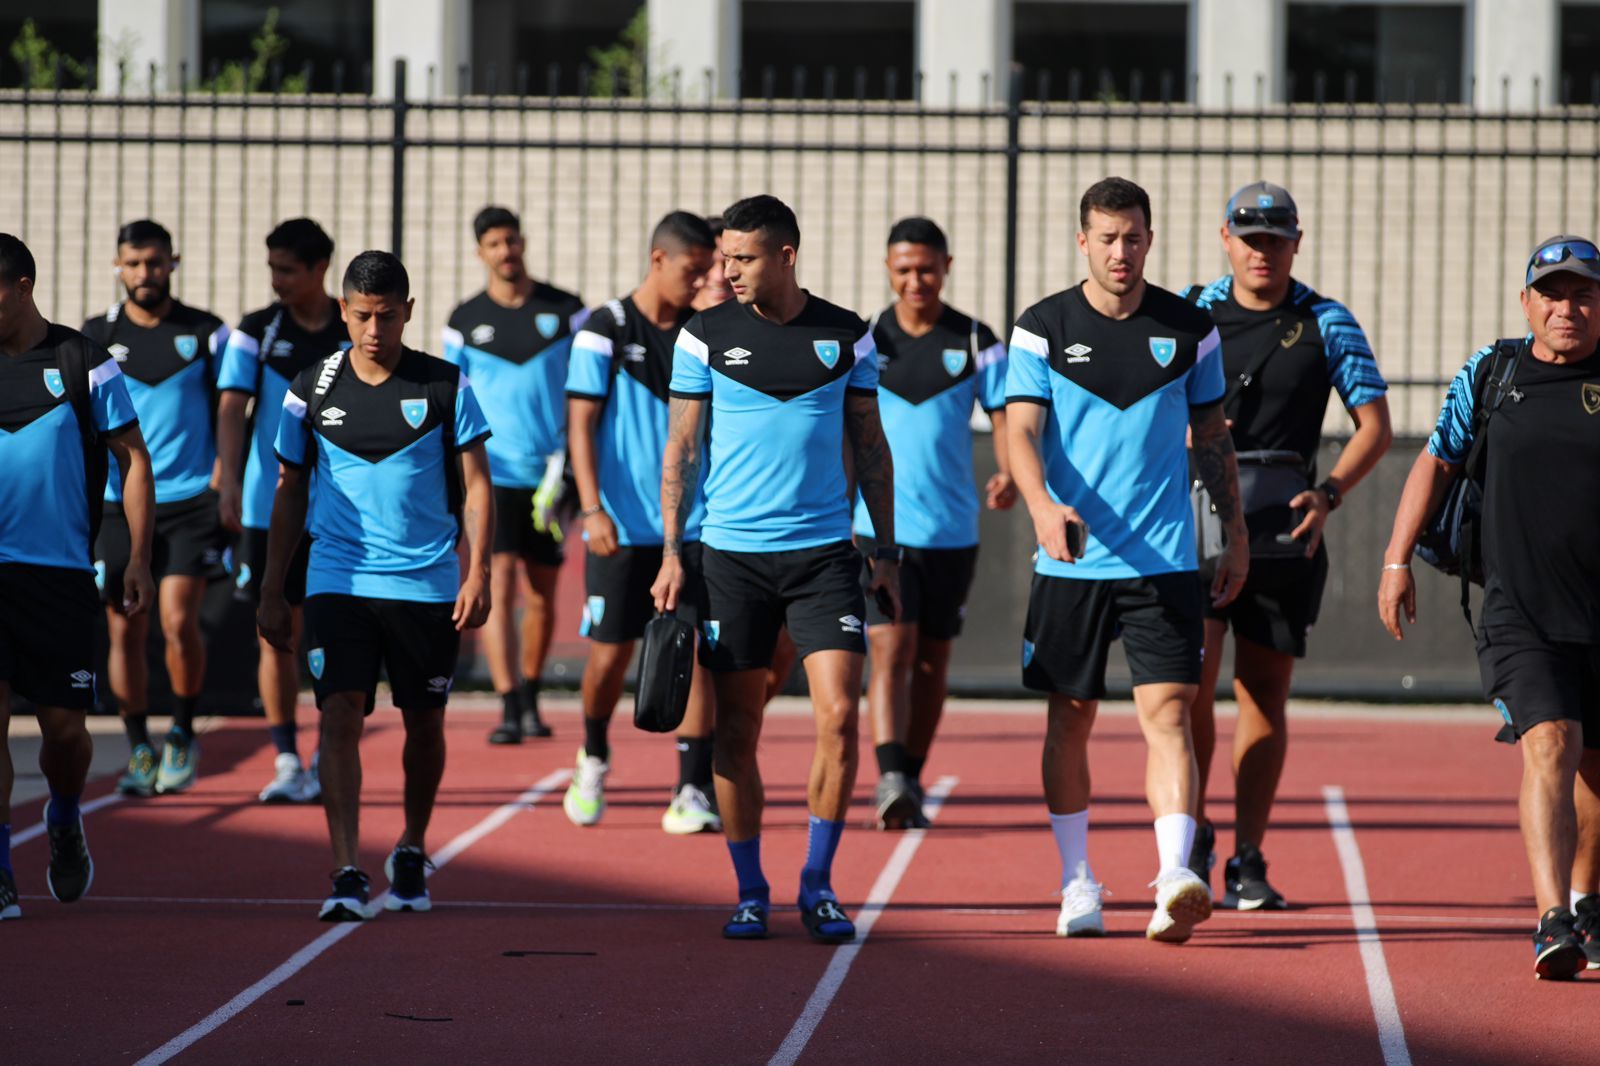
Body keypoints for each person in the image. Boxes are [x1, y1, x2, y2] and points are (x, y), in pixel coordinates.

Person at [1005, 176, 1247, 943]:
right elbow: (1017, 433)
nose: (1121, 251)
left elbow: (1211, 438)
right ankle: (1077, 882)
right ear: (1083, 241)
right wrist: (1043, 508)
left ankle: (1176, 873)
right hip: (1071, 563)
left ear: (1151, 238)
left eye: (1133, 237)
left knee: (1171, 713)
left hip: (1165, 561)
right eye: (1107, 238)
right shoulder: (1042, 326)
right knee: (1068, 718)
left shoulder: (1191, 328)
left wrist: (1235, 534)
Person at [654, 194, 900, 942]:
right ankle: (751, 887)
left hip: (826, 558)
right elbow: (682, 450)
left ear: (786, 256)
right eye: (724, 256)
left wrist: (883, 548)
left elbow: (871, 444)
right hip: (730, 559)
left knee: (837, 718)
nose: (727, 271)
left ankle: (818, 885)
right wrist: (671, 553)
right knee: (738, 728)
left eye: (743, 258)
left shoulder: (848, 335)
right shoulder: (702, 336)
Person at [1379, 235, 1600, 981]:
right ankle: (1552, 920)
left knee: (1596, 766)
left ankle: (1586, 902)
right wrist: (1394, 559)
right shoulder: (1493, 371)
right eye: (1552, 293)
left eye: (1582, 294)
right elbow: (1436, 460)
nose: (1566, 307)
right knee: (1551, 742)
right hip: (1520, 610)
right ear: (1526, 301)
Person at [258, 251, 494, 921]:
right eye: (361, 315)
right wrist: (275, 589)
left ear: (408, 312)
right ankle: (345, 870)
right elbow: (289, 488)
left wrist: (477, 570)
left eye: (387, 317)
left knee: (424, 724)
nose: (373, 330)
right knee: (338, 714)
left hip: (425, 583)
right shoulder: (310, 386)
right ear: (343, 310)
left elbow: (478, 486)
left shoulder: (445, 384)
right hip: (340, 579)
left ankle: (413, 847)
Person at [1184, 183, 1392, 909]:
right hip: (1197, 528)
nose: (1261, 250)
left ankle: (1246, 856)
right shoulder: (1191, 311)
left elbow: (1376, 427)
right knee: (1187, 692)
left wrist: (1329, 493)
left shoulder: (1327, 321)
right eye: (1249, 236)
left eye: (1275, 238)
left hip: (1283, 533)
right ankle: (1192, 834)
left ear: (1296, 243)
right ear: (1225, 238)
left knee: (1263, 694)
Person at [0, 233, 155, 919]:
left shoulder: (81, 362)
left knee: (64, 731)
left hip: (59, 577)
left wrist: (140, 557)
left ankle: (64, 816)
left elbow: (135, 461)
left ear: (22, 286)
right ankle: (1, 866)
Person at [564, 212, 720, 833]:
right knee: (609, 657)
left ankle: (691, 786)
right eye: (695, 269)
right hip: (621, 527)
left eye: (711, 268)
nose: (706, 279)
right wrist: (591, 506)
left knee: (695, 655)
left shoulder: (703, 333)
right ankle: (595, 752)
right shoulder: (604, 328)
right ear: (658, 260)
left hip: (695, 527)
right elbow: (580, 424)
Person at [857, 216, 1013, 829]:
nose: (914, 280)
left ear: (946, 266)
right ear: (888, 270)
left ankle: (910, 776)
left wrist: (1006, 472)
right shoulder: (865, 341)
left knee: (932, 663)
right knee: (889, 650)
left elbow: (1007, 419)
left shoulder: (977, 341)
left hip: (953, 532)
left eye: (926, 268)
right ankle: (891, 774)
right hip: (877, 531)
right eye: (903, 269)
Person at [82, 220, 229, 798]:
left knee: (177, 622)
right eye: (134, 263)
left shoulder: (206, 332)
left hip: (190, 501)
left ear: (174, 262)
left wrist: (225, 475)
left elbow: (230, 408)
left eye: (156, 261)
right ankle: (139, 746)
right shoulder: (95, 336)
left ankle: (183, 733)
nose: (146, 273)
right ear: (118, 266)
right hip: (118, 507)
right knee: (125, 632)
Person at [217, 218, 349, 804]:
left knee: (332, 638)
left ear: (320, 270)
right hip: (266, 508)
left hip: (338, 516)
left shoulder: (352, 335)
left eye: (287, 270)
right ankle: (287, 757)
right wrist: (226, 484)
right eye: (272, 268)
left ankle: (327, 754)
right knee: (274, 632)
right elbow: (230, 409)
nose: (277, 281)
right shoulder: (256, 332)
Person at [442, 206, 586, 745]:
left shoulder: (567, 312)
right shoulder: (463, 320)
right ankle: (507, 704)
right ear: (480, 252)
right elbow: (453, 400)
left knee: (543, 591)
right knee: (498, 583)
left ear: (523, 243)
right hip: (491, 474)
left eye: (512, 241)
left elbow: (585, 391)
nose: (507, 252)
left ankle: (529, 693)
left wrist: (571, 464)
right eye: (495, 244)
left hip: (551, 477)